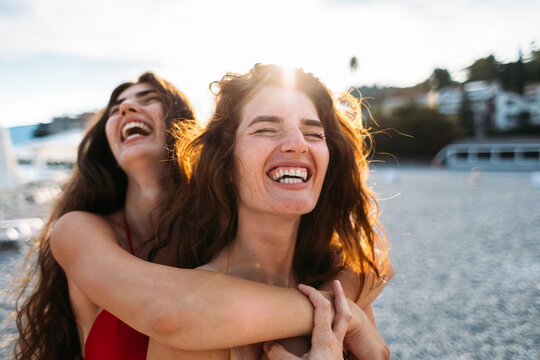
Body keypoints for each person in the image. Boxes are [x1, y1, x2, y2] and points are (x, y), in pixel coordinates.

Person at [14, 71, 390, 360]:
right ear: (224, 162)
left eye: (147, 99)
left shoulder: (204, 236)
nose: (127, 108)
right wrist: (343, 312)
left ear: (181, 130)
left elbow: (373, 258)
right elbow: (169, 312)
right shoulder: (79, 229)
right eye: (116, 109)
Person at [146, 64, 391, 359]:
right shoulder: (193, 319)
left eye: (313, 133)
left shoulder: (338, 279)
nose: (298, 144)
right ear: (226, 166)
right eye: (266, 129)